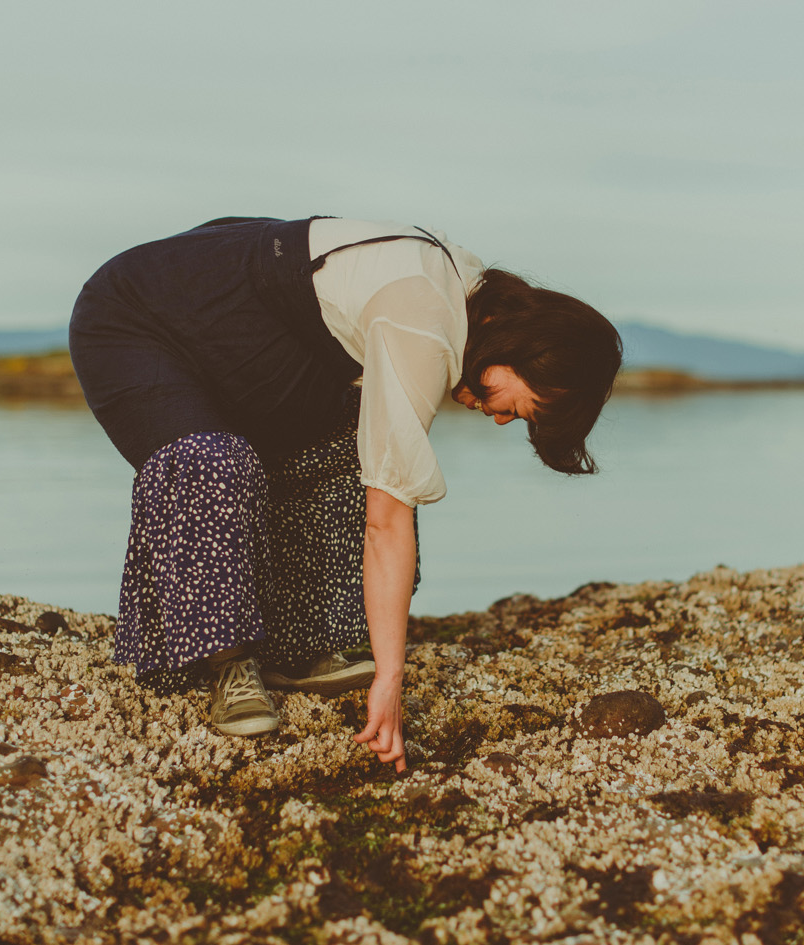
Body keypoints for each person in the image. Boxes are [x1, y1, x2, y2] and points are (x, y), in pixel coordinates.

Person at [69, 216, 620, 772]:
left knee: (355, 439)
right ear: (519, 345)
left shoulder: (473, 297)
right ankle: (224, 658)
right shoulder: (426, 324)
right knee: (212, 461)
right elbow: (386, 522)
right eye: (517, 406)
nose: (502, 419)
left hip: (240, 344)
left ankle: (293, 642)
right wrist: (390, 678)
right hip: (136, 321)